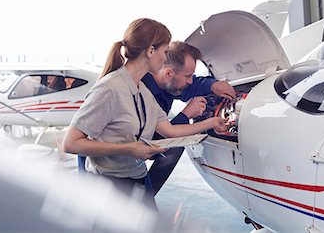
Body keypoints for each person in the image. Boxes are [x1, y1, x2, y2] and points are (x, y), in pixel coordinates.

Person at [62, 18, 227, 210]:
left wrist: (213, 122)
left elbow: (170, 131)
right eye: (165, 52)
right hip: (110, 189)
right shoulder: (109, 89)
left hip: (137, 181)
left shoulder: (142, 90)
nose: (166, 59)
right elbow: (70, 143)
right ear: (150, 51)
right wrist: (130, 149)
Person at [142, 41, 236, 195]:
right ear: (168, 73)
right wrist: (186, 114)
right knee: (178, 142)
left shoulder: (167, 83)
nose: (190, 80)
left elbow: (192, 85)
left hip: (137, 150)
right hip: (120, 160)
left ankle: (146, 194)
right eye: (188, 76)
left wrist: (213, 85)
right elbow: (159, 137)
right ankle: (145, 196)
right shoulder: (143, 91)